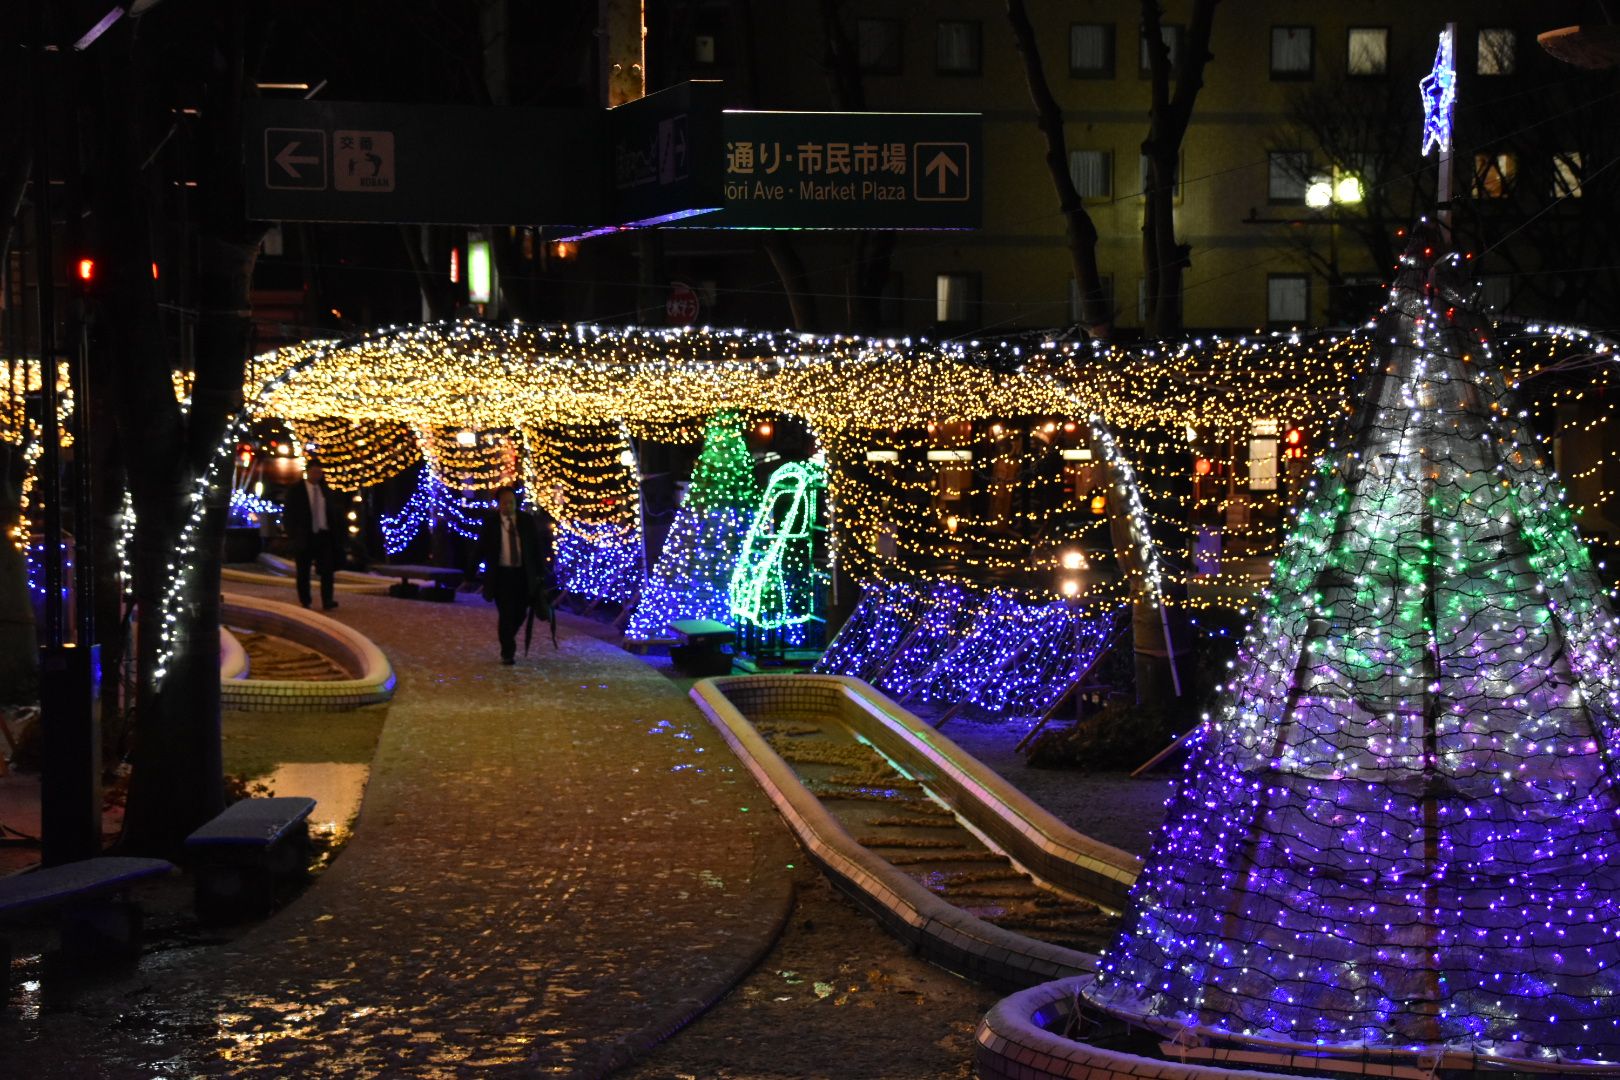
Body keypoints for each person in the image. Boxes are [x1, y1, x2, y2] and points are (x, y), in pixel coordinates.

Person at [474, 488, 554, 665]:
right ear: (499, 504)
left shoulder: (526, 521)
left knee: (520, 613)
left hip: (523, 575)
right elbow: (481, 548)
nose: (508, 506)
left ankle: (508, 635)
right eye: (505, 503)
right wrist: (471, 570)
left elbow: (536, 548)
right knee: (505, 613)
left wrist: (541, 572)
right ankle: (507, 652)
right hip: (501, 576)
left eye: (511, 502)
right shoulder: (491, 523)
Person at [283, 460, 345, 610]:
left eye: (319, 473)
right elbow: (289, 514)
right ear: (308, 472)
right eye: (314, 472)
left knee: (327, 570)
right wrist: (293, 534)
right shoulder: (296, 490)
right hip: (305, 535)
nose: (317, 476)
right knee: (303, 570)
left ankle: (327, 600)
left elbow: (332, 514)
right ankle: (306, 600)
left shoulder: (325, 490)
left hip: (323, 534)